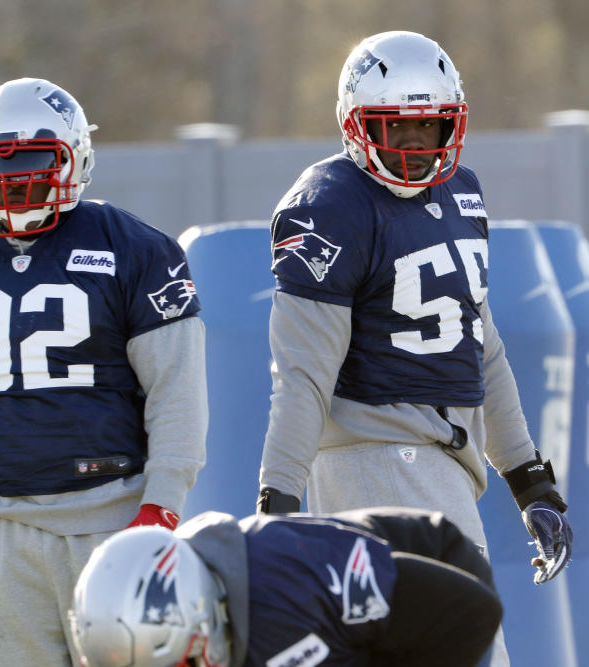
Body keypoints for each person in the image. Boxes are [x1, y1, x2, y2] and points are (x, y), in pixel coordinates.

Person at [253, 30, 572, 665]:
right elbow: (302, 373)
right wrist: (277, 502)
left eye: (431, 128)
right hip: (379, 455)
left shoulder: (462, 194)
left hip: (437, 460)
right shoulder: (331, 204)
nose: (415, 149)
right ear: (354, 123)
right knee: (465, 647)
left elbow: (481, 347)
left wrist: (531, 480)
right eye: (395, 129)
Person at [0, 77, 207, 666]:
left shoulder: (135, 247)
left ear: (75, 156)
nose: (12, 180)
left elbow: (177, 392)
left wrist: (161, 506)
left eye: (34, 161)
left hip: (113, 518)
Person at [70, 507, 504, 667]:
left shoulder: (289, 584)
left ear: (202, 613)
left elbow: (471, 613)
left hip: (434, 602)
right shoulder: (217, 610)